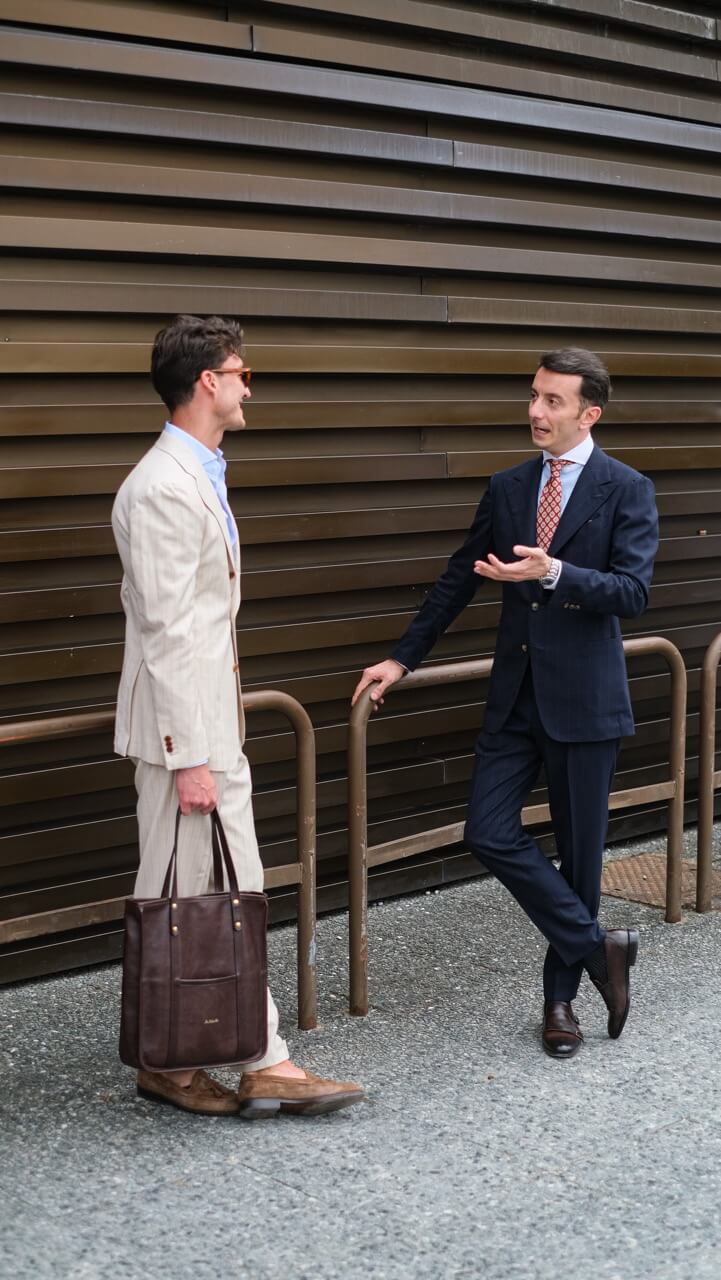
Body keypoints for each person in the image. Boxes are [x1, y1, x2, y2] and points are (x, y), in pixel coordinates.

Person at [352, 348, 658, 1059]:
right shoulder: (509, 486)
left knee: (580, 861)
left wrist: (553, 571)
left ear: (589, 414)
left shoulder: (626, 489)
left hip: (584, 705)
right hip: (514, 700)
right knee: (487, 830)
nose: (534, 412)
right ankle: (596, 948)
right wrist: (401, 657)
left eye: (552, 401)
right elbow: (458, 578)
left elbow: (633, 593)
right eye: (533, 396)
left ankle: (560, 1003)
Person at [112, 314, 363, 1115]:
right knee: (209, 895)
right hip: (186, 734)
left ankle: (179, 1059)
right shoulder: (160, 487)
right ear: (207, 383)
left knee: (196, 895)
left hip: (204, 726)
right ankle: (258, 1060)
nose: (249, 385)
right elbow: (166, 627)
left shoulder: (199, 472)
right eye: (241, 371)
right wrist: (189, 754)